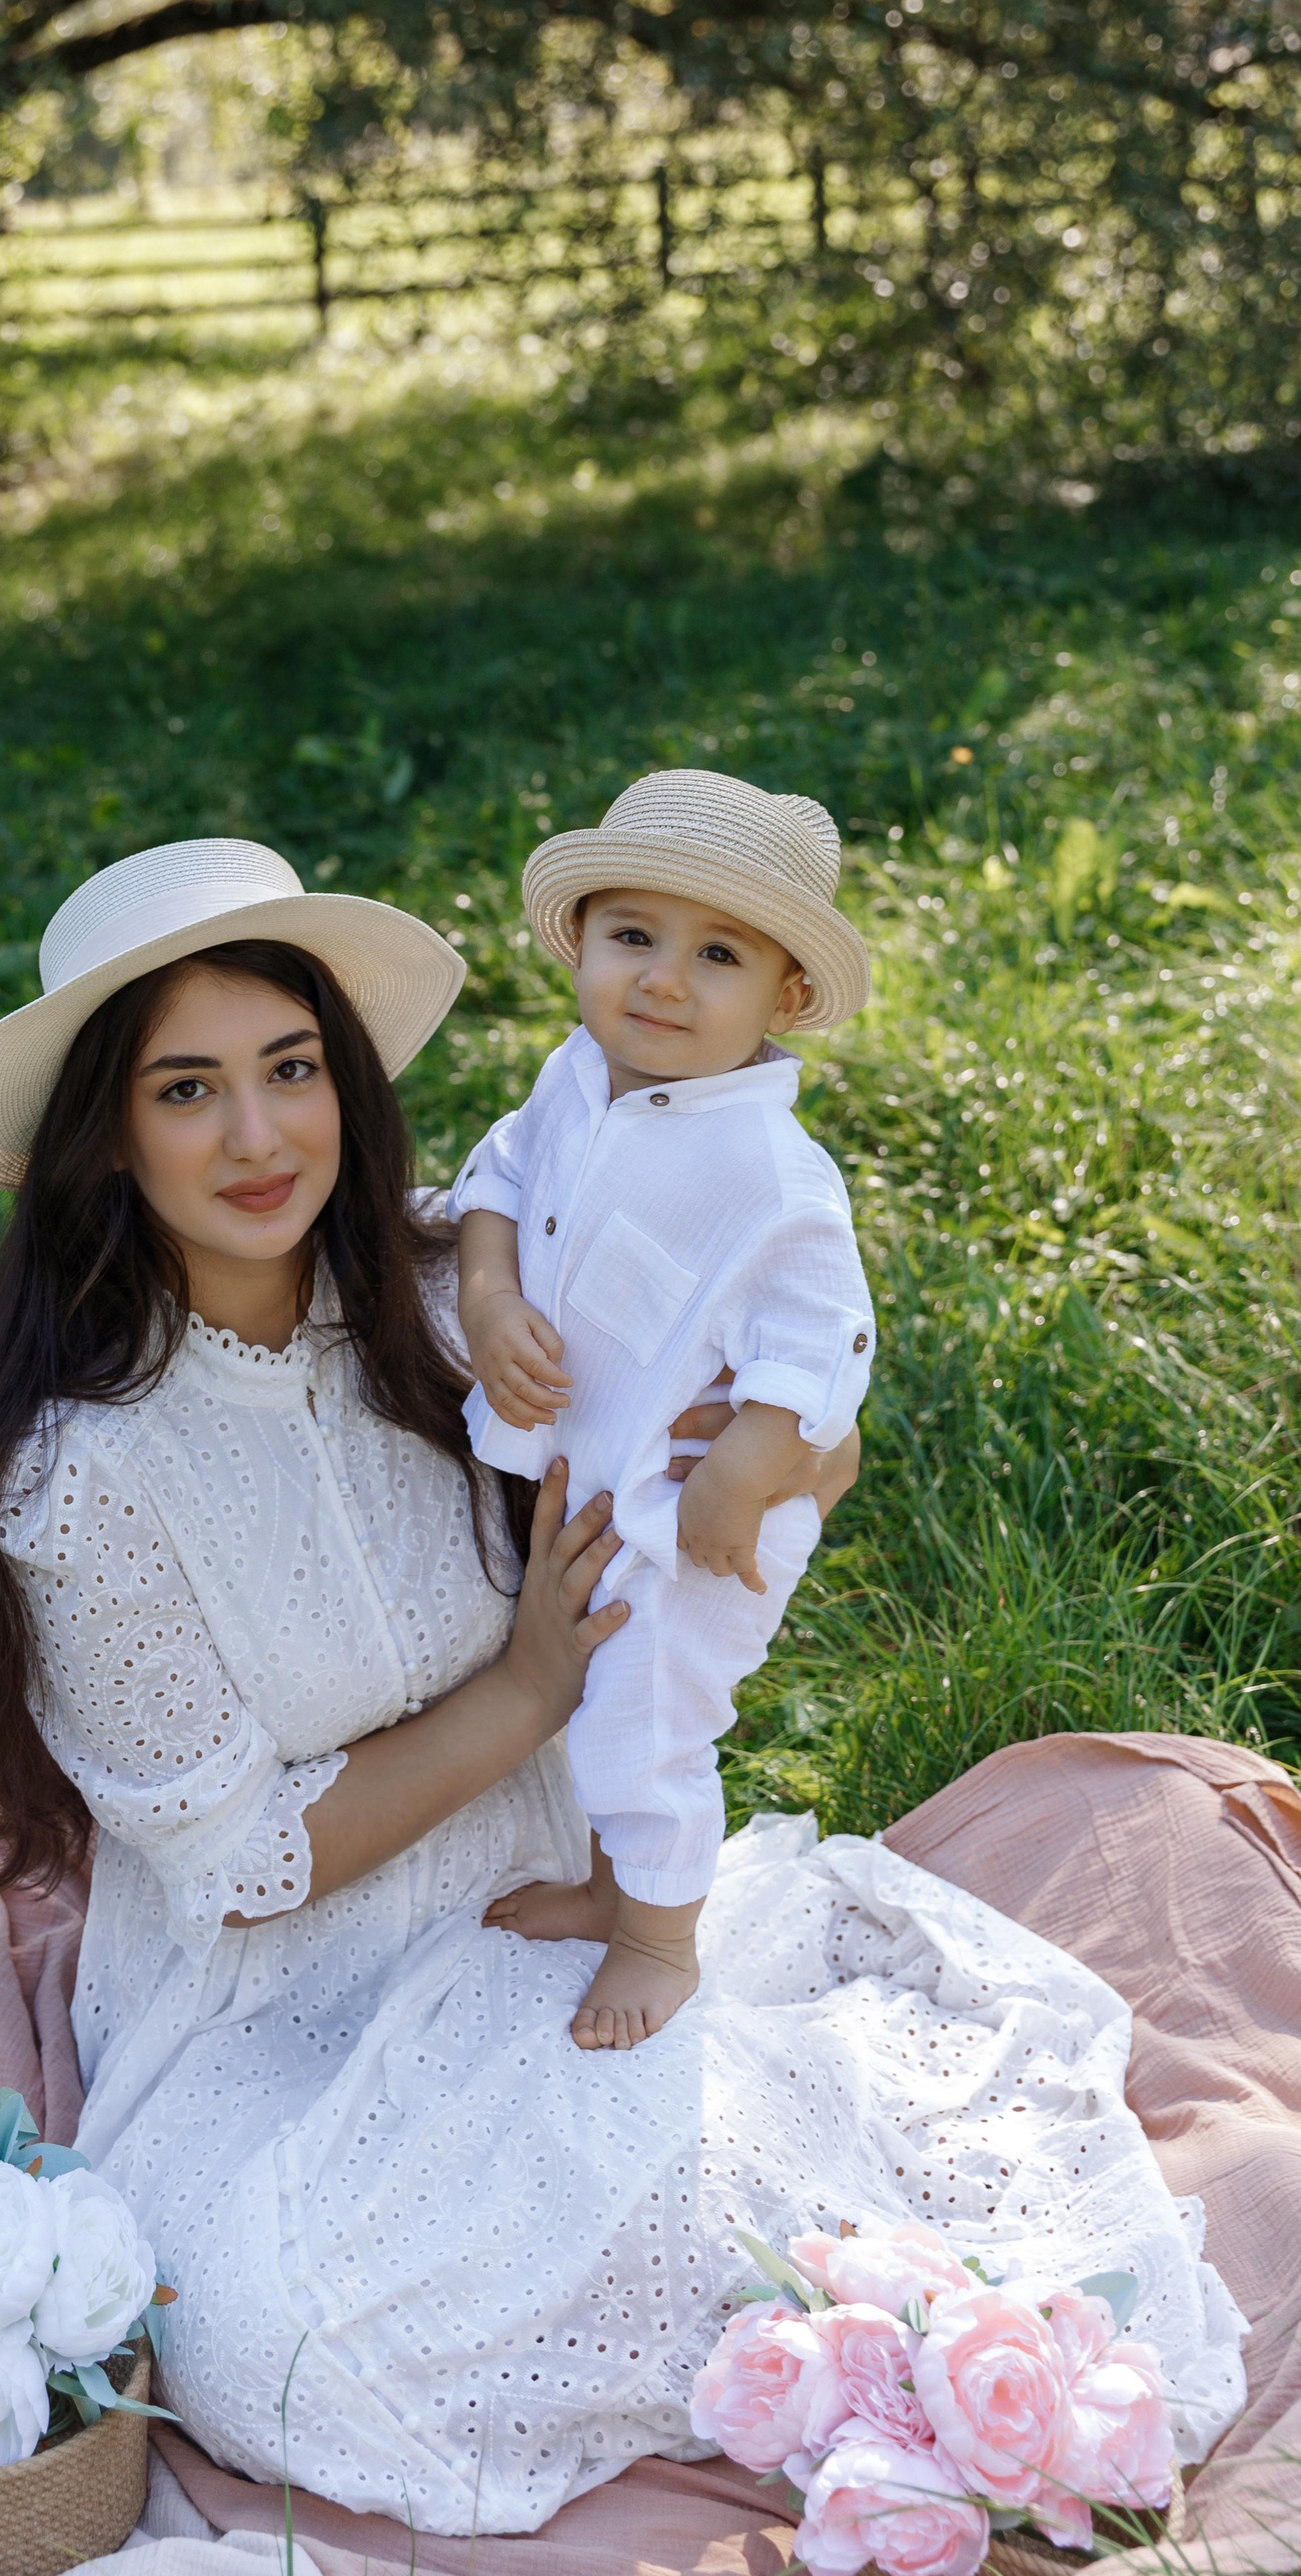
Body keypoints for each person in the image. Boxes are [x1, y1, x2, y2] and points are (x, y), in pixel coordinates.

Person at [0, 836, 1246, 2535]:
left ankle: (870, 2349)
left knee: (662, 2143)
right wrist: (531, 1689)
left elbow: (794, 1417)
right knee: (262, 2341)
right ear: (105, 1137)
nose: (258, 1139)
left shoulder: (453, 1279)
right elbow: (239, 1866)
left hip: (550, 1895)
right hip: (277, 2001)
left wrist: (773, 1456)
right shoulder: (86, 1473)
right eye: (187, 1091)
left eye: (290, 1069)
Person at [454, 770, 877, 2050]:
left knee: (647, 1716)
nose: (663, 982)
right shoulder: (577, 1079)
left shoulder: (770, 1173)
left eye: (718, 956)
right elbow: (498, 1172)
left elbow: (824, 1342)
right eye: (633, 937)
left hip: (697, 1520)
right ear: (581, 943)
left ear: (785, 996)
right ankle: (603, 1879)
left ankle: (658, 1936)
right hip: (595, 1467)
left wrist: (744, 1471)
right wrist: (484, 1290)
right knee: (588, 1698)